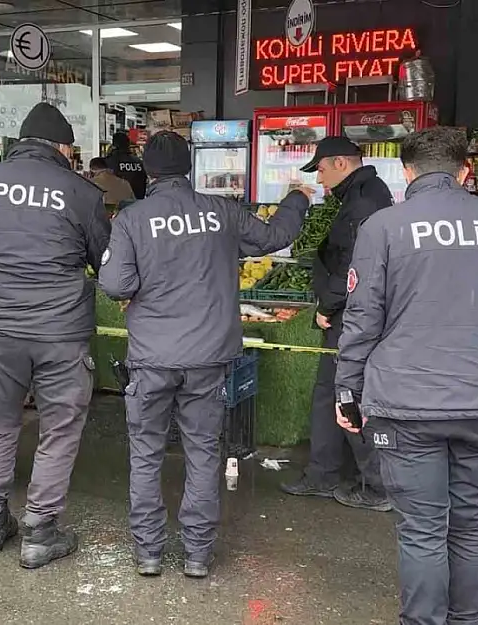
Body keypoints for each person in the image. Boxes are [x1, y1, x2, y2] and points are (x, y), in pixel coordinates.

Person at [335, 126, 478, 625]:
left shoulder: (384, 227)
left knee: (422, 529)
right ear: (465, 171)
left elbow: (362, 320)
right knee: (473, 523)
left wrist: (347, 391)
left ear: (407, 172)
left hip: (405, 404)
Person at [99, 131, 309, 579]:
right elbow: (274, 236)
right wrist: (297, 199)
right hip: (208, 358)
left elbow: (115, 284)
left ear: (148, 171)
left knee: (146, 453)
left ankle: (149, 552)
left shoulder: (133, 219)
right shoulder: (223, 211)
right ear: (189, 167)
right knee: (202, 451)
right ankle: (197, 553)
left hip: (153, 358)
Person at [0, 102, 111, 568]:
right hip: (62, 334)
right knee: (59, 430)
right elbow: (107, 263)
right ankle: (40, 531)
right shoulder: (81, 192)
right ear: (61, 147)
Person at [280, 136, 394, 511]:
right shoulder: (370, 194)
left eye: (323, 170)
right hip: (363, 313)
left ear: (341, 164)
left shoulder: (361, 203)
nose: (322, 179)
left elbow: (351, 265)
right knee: (339, 392)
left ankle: (369, 484)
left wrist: (328, 305)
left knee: (340, 392)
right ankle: (330, 472)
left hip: (351, 315)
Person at [105, 131, 148, 199]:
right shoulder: (139, 162)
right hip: (137, 201)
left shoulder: (109, 161)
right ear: (128, 144)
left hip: (117, 203)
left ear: (114, 144)